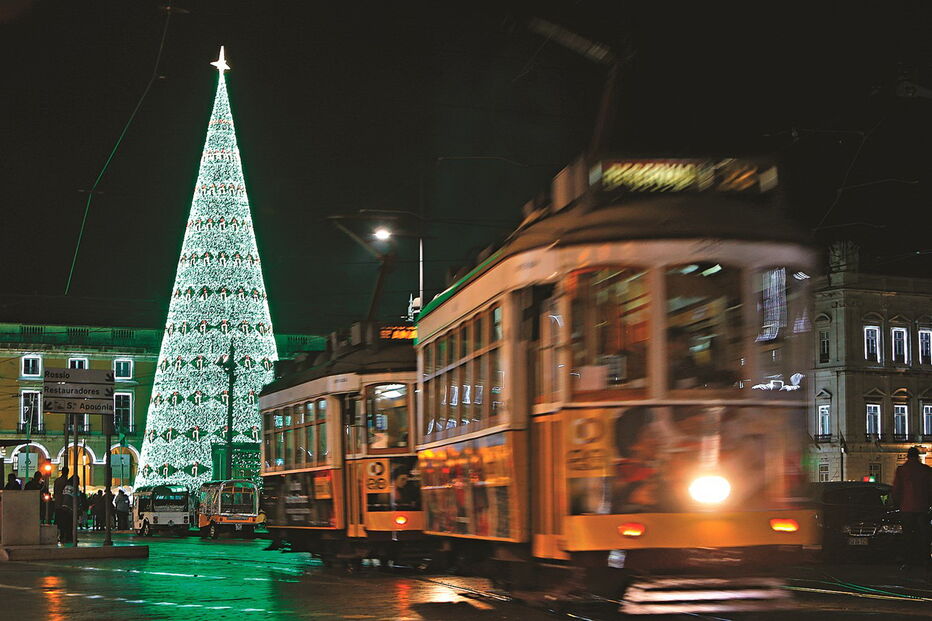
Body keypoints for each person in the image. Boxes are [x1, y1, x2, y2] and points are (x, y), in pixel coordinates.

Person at [892, 447, 932, 570]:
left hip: (906, 508)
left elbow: (896, 489)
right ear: (918, 456)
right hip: (923, 508)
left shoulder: (901, 470)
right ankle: (925, 559)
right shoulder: (926, 470)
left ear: (907, 456)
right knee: (924, 535)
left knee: (908, 535)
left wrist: (897, 504)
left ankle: (909, 560)